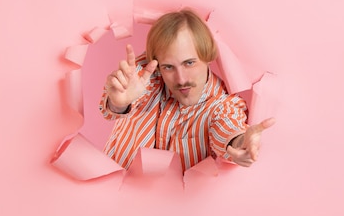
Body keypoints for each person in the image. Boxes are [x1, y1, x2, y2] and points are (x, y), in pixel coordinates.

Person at [99, 9, 275, 171]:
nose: (181, 79)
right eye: (168, 67)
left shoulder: (222, 106)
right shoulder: (145, 75)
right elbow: (118, 102)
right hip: (113, 199)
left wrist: (241, 144)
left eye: (189, 63)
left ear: (208, 56)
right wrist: (118, 103)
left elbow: (229, 129)